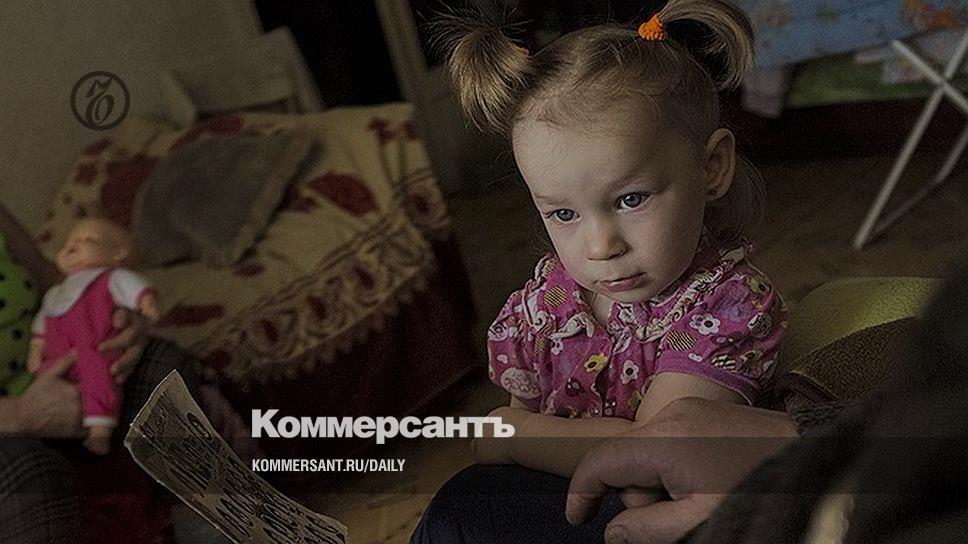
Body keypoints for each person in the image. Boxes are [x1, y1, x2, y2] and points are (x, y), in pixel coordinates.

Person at [437, 0, 786, 477]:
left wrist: (514, 436)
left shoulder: (730, 309)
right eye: (563, 213)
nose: (601, 247)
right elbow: (522, 442)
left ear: (711, 167)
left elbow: (651, 454)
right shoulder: (548, 304)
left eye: (630, 200)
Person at [29, 217, 159, 454]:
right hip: (54, 362)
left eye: (88, 239)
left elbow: (133, 287)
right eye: (68, 242)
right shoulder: (55, 294)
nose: (72, 245)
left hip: (94, 350)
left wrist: (145, 302)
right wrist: (36, 349)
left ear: (118, 253)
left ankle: (100, 431)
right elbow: (42, 324)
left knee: (103, 377)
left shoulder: (109, 277)